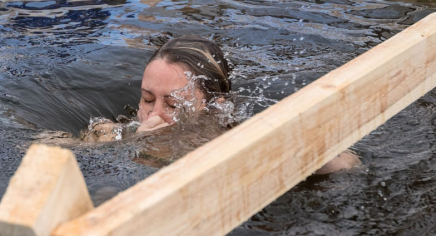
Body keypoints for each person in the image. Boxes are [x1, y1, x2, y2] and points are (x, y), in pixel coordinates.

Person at [81, 35, 360, 174]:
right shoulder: (108, 135)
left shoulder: (239, 145)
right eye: (148, 99)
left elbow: (349, 162)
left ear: (214, 106)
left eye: (174, 105)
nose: (154, 115)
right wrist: (135, 148)